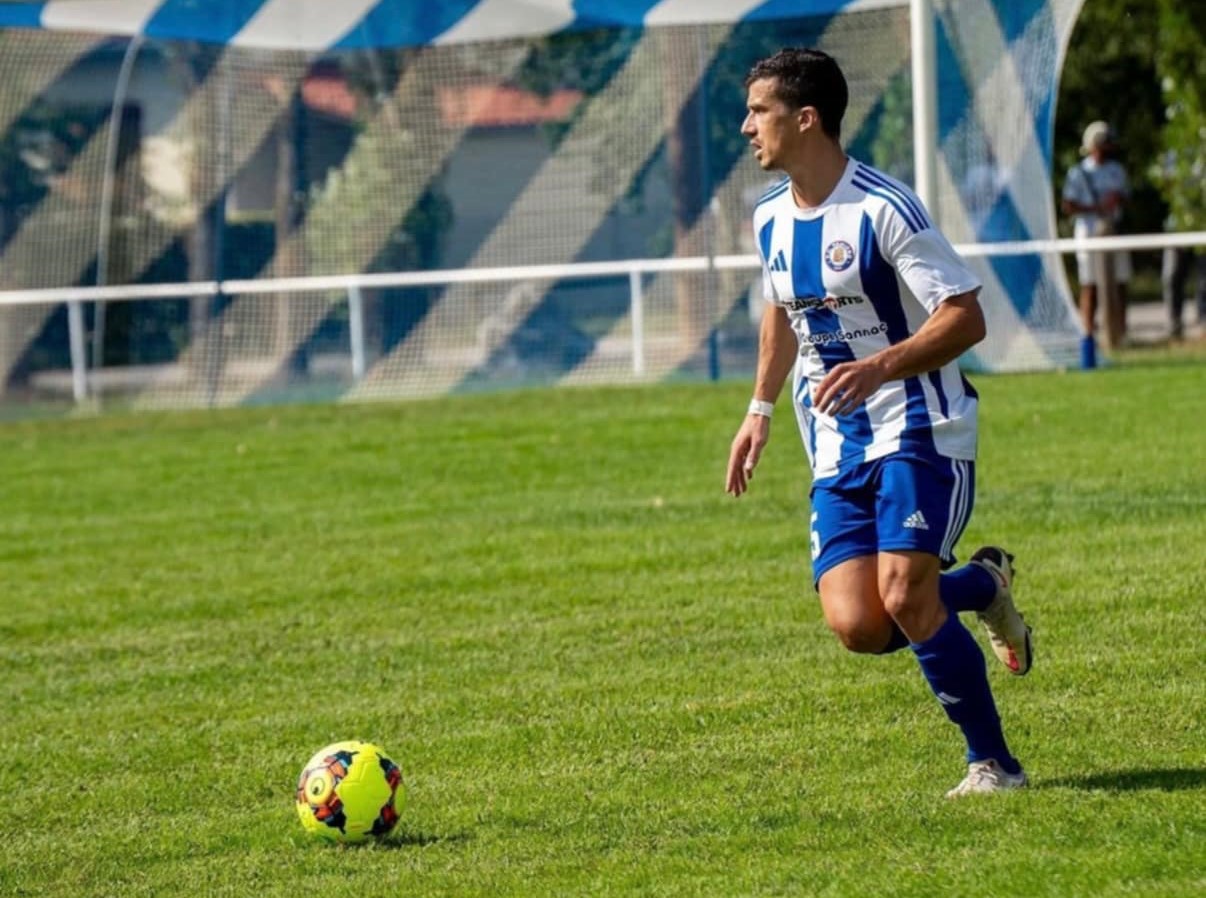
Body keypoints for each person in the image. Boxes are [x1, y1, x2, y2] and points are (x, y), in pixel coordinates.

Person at [725, 48, 1032, 798]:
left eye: (758, 111)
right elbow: (782, 315)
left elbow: (966, 318)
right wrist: (759, 410)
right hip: (837, 444)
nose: (745, 128)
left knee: (903, 595)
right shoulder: (769, 219)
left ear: (806, 119)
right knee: (861, 624)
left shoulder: (884, 208)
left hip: (920, 427)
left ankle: (993, 765)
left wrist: (879, 367)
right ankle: (983, 585)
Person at [1061, 121, 1131, 360]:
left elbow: (1126, 198)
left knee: (1120, 282)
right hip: (1089, 233)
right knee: (1089, 284)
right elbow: (1068, 205)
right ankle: (1087, 337)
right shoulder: (1079, 173)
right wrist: (1096, 207)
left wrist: (1115, 201)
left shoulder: (1116, 171)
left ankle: (1120, 333)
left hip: (1112, 230)